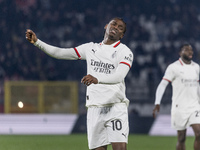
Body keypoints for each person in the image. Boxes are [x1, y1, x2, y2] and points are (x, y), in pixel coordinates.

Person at [26, 17, 133, 150]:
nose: (116, 27)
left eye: (120, 27)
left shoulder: (124, 51)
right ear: (106, 26)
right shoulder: (90, 48)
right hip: (94, 108)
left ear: (122, 35)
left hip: (115, 107)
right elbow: (60, 53)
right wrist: (37, 42)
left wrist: (97, 78)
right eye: (114, 24)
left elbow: (119, 76)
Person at [152, 44, 200, 150]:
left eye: (191, 50)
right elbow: (163, 84)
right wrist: (157, 102)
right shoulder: (173, 67)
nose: (190, 52)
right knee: (181, 138)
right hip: (180, 107)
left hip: (194, 106)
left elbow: (197, 86)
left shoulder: (196, 67)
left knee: (199, 133)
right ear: (180, 53)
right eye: (186, 50)